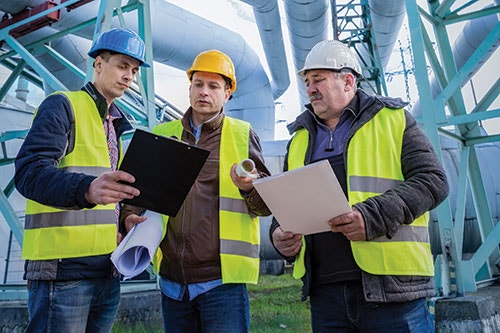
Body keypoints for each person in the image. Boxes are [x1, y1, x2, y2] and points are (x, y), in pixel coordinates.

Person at [270, 40, 449, 332]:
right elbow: (289, 203)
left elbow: (433, 181)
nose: (310, 89)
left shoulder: (393, 120)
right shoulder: (300, 138)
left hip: (392, 292)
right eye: (307, 82)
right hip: (326, 295)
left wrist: (370, 217)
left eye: (318, 80)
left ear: (348, 81)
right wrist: (279, 235)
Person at [121, 49, 271, 332]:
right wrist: (128, 216)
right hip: (172, 282)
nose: (204, 92)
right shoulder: (163, 133)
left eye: (213, 86)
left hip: (221, 283)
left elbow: (265, 206)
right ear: (189, 88)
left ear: (227, 94)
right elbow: (134, 193)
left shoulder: (242, 134)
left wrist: (249, 189)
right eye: (198, 84)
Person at [14, 28, 150, 332]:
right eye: (122, 65)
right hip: (63, 271)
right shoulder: (62, 106)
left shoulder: (116, 125)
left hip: (106, 269)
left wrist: (123, 222)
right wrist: (87, 189)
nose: (129, 76)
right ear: (98, 64)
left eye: (134, 70)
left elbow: (108, 197)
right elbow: (28, 174)